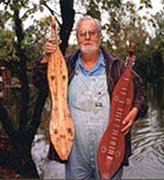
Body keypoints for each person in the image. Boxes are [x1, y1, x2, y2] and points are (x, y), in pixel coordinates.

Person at [33, 16, 148, 180]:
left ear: (99, 36)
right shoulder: (65, 66)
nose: (87, 37)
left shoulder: (116, 66)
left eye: (92, 33)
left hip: (110, 152)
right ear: (78, 38)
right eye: (82, 33)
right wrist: (46, 56)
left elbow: (141, 91)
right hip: (75, 155)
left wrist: (135, 111)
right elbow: (39, 81)